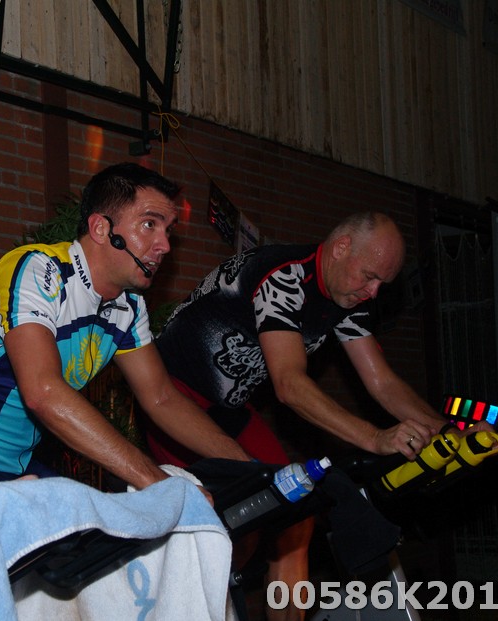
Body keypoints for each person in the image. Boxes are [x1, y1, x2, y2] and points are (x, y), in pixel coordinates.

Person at [145, 211, 456, 621]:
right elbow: (289, 385)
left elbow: (382, 382)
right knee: (242, 518)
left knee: (297, 512)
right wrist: (376, 437)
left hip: (228, 408)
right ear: (341, 248)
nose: (373, 292)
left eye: (382, 283)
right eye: (369, 276)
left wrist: (445, 430)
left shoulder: (348, 297)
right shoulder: (283, 277)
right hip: (175, 399)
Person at [0, 162, 249, 502]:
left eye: (168, 230)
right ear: (101, 228)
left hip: (12, 470)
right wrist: (155, 481)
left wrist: (249, 468)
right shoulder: (38, 269)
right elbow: (43, 392)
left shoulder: (129, 305)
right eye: (149, 224)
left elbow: (161, 399)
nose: (165, 245)